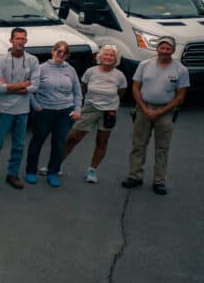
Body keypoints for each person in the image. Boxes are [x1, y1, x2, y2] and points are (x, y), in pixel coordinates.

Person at [125, 36, 189, 195]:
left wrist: (159, 112)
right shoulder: (144, 65)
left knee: (162, 148)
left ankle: (159, 181)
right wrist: (145, 109)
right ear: (157, 49)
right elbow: (135, 88)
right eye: (162, 48)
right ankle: (135, 176)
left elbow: (180, 96)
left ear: (173, 51)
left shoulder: (181, 70)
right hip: (143, 108)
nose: (164, 51)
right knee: (138, 145)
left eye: (168, 49)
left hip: (166, 111)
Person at [0, 28, 40, 190]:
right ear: (11, 40)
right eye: (17, 39)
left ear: (26, 41)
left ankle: (13, 174)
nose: (20, 42)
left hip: (22, 110)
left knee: (19, 145)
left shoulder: (33, 60)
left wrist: (11, 86)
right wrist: (24, 84)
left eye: (23, 39)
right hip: (3, 109)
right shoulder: (1, 61)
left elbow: (35, 85)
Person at [62, 45, 127, 184]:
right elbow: (84, 88)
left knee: (102, 141)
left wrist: (110, 103)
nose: (108, 57)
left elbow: (121, 92)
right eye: (106, 54)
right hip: (90, 108)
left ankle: (92, 170)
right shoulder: (90, 72)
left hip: (109, 111)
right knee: (72, 137)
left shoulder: (119, 76)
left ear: (116, 59)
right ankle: (56, 165)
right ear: (100, 56)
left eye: (112, 56)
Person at [25, 41, 82, 187]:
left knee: (59, 144)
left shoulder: (71, 70)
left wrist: (77, 110)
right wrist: (36, 106)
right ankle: (31, 171)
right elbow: (30, 89)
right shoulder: (41, 68)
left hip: (65, 113)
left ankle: (53, 172)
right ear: (53, 51)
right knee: (37, 142)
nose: (61, 54)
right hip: (44, 111)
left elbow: (77, 92)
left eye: (65, 52)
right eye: (59, 51)